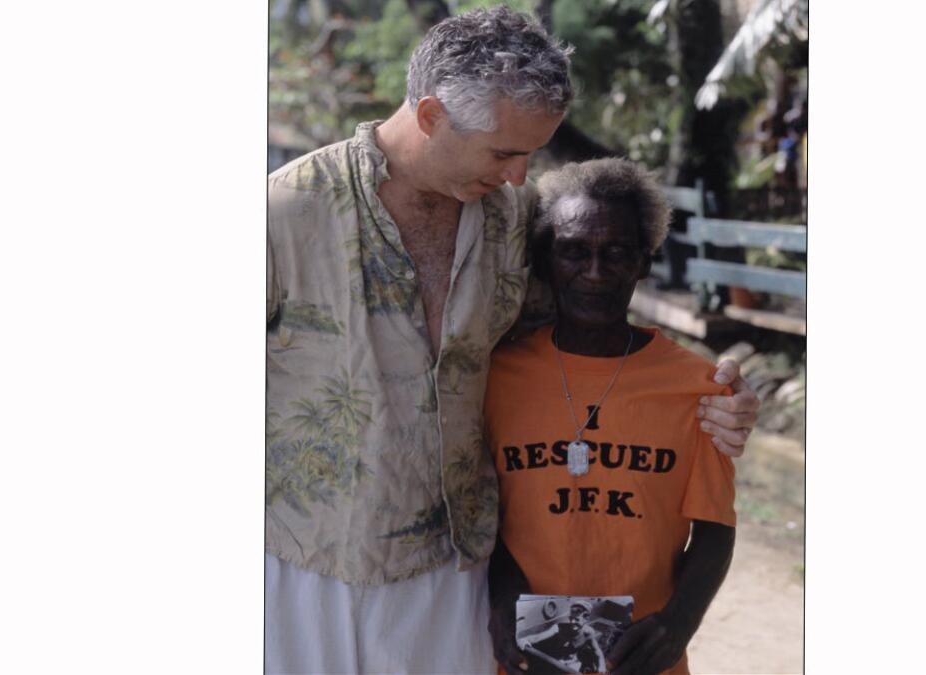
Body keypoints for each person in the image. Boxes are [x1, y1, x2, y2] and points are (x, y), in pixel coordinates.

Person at [266, 7, 758, 673]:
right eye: (504, 151)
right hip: (309, 570)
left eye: (530, 154)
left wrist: (714, 396)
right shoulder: (285, 212)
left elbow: (591, 326)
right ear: (433, 115)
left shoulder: (512, 221)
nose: (521, 176)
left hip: (460, 577)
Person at [486, 158, 737, 675]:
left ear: (645, 263)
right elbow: (479, 511)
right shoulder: (496, 375)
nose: (595, 273)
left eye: (617, 253)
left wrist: (677, 624)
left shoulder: (696, 386)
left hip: (641, 656)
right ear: (545, 259)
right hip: (527, 656)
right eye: (574, 252)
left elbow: (714, 527)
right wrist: (501, 598)